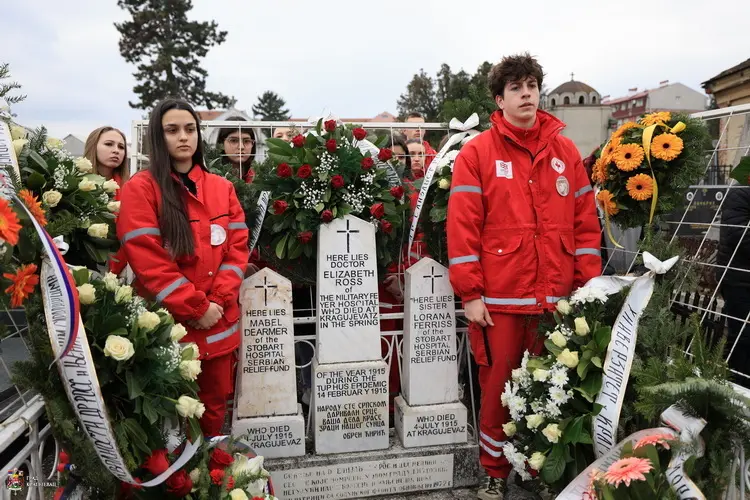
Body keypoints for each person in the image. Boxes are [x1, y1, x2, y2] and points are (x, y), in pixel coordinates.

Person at [446, 53, 601, 499]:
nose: (526, 93)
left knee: (551, 387)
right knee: (498, 388)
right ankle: (494, 472)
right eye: (516, 87)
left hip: (558, 296)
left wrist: (587, 287)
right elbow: (463, 226)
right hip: (501, 297)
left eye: (531, 85)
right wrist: (471, 294)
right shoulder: (477, 153)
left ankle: (536, 471)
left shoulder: (565, 152)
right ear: (499, 99)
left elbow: (585, 224)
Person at [117, 98, 249, 437]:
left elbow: (237, 251)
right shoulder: (140, 189)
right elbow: (148, 261)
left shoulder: (222, 188)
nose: (183, 137)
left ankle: (212, 467)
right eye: (172, 130)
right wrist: (196, 307)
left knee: (213, 411)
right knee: (168, 423)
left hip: (218, 324)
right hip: (169, 327)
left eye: (190, 129)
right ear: (158, 137)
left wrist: (217, 301)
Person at [83, 126, 129, 276]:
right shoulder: (76, 184)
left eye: (121, 147)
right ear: (93, 147)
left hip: (116, 267)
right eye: (109, 144)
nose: (116, 150)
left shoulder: (130, 188)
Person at [717, 183, 750, 385]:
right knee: (742, 337)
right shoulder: (740, 193)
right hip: (739, 282)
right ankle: (737, 384)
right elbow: (738, 235)